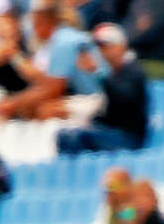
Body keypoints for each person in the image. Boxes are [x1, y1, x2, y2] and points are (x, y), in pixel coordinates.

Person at [57, 25, 150, 153]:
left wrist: (99, 73)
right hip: (113, 132)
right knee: (65, 135)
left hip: (129, 138)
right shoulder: (114, 72)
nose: (102, 52)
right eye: (99, 47)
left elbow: (123, 100)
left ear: (121, 46)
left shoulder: (133, 71)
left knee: (77, 138)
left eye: (106, 46)